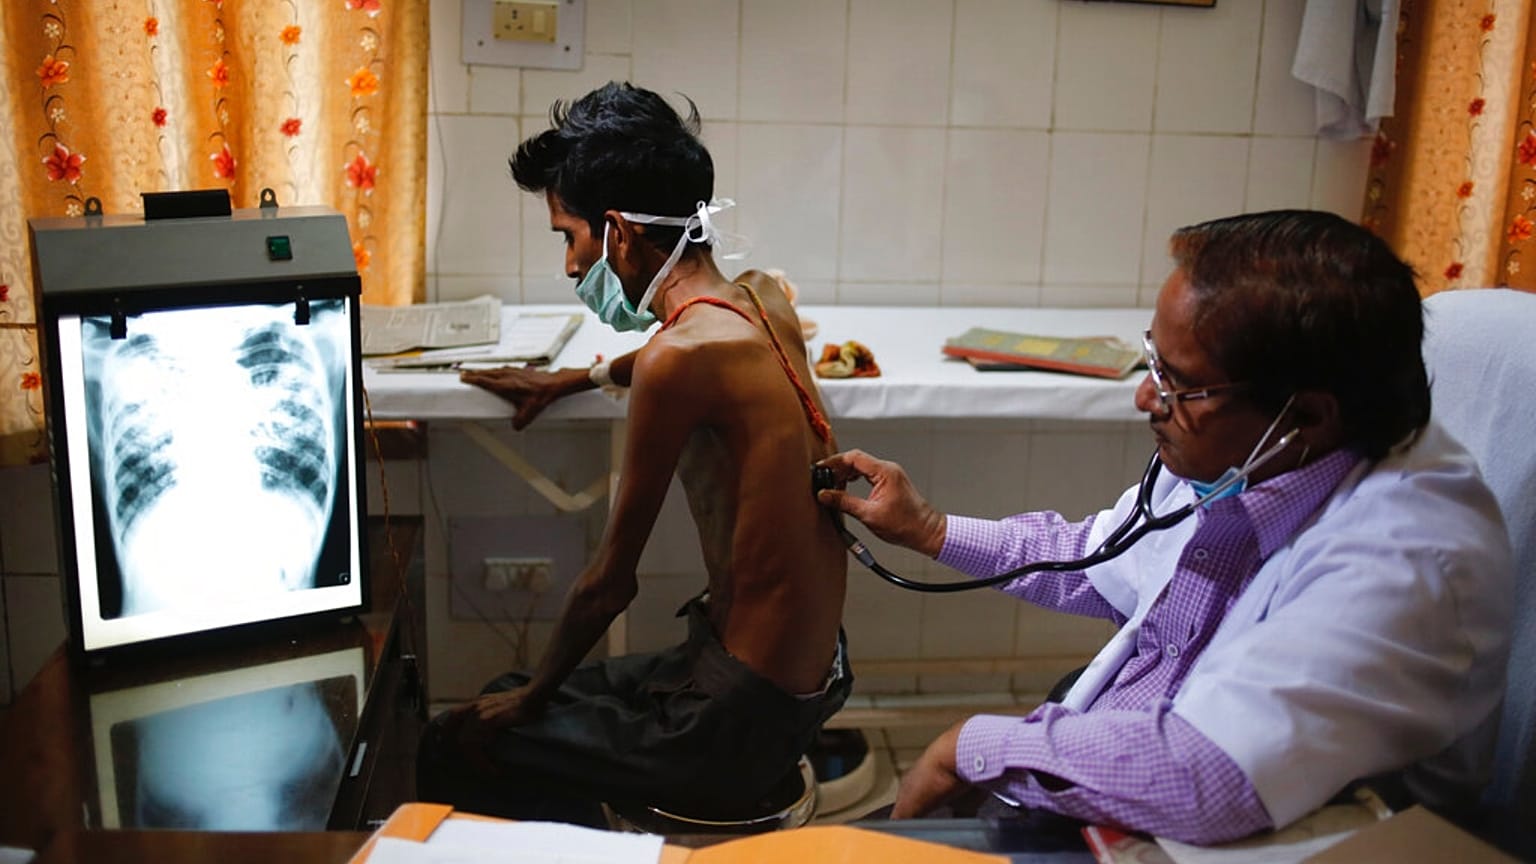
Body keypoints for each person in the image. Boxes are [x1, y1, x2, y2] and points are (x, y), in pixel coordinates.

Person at [814, 210, 1513, 845]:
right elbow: (1096, 556)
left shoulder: (1408, 559)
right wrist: (930, 529)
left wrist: (972, 746)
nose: (1147, 397)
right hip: (1118, 773)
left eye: (1179, 384)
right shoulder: (1252, 453)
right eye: (1154, 360)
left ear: (1307, 414)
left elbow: (1206, 780)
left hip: (1227, 835)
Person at [415, 81, 852, 826]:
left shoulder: (675, 362)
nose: (566, 265)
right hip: (808, 677)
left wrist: (530, 701)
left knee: (459, 740)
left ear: (615, 232)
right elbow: (678, 353)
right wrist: (576, 377)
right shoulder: (762, 301)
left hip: (734, 721)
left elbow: (607, 587)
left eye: (567, 236)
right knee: (511, 687)